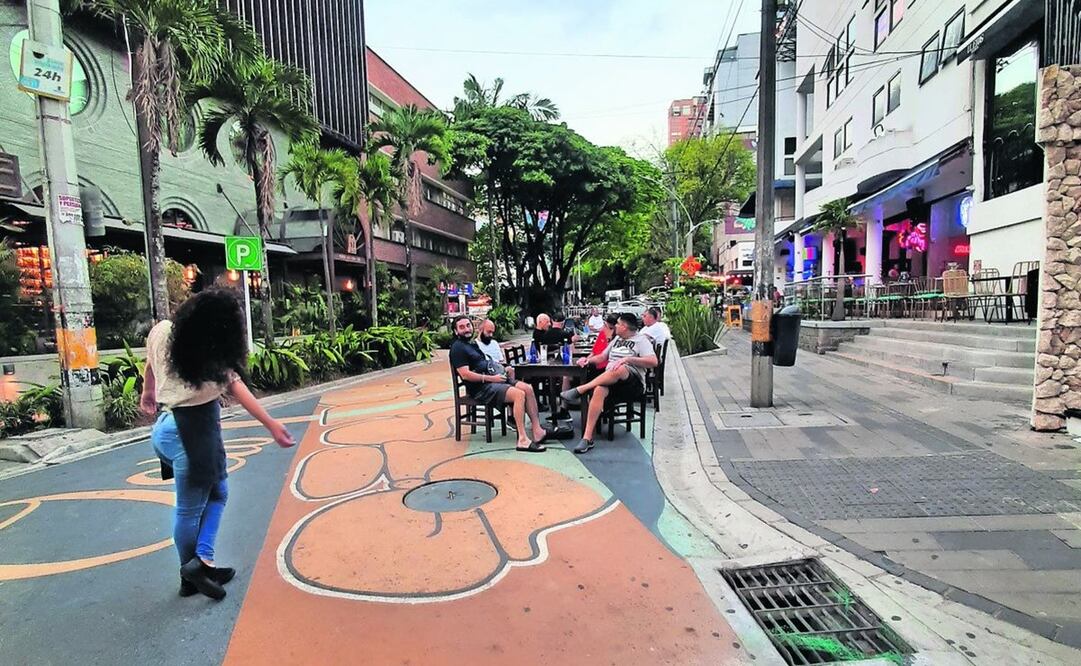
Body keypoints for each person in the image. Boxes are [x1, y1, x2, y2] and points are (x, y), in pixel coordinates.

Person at [140, 288, 295, 601]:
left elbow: (150, 364)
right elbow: (238, 389)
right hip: (193, 431)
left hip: (168, 428)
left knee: (213, 494)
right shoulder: (211, 359)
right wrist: (272, 425)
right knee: (193, 507)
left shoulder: (161, 332)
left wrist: (148, 393)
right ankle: (194, 569)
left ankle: (200, 566)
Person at [450, 315, 552, 452]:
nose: (466, 329)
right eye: (461, 327)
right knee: (519, 395)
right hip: (482, 388)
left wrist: (503, 369)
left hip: (494, 378)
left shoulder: (472, 344)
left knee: (527, 388)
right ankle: (522, 439)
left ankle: (537, 430)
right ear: (456, 331)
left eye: (468, 325)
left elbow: (486, 363)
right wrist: (492, 379)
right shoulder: (457, 348)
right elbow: (465, 374)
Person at [560, 313, 657, 454]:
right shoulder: (617, 339)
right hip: (612, 380)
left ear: (624, 326)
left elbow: (654, 361)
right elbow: (602, 357)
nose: (615, 326)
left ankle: (581, 389)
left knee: (620, 368)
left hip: (632, 383)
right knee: (599, 389)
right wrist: (587, 360)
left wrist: (628, 359)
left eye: (617, 324)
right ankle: (587, 438)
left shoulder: (641, 340)